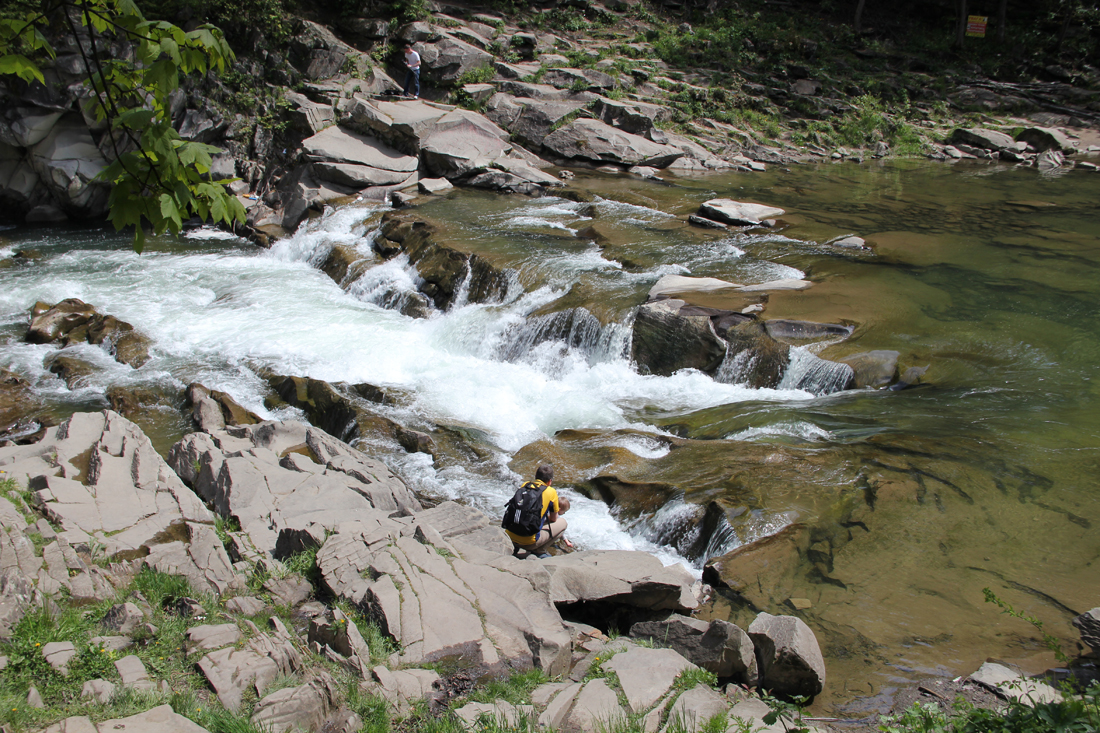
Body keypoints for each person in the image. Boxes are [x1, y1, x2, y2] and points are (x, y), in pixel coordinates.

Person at [505, 464, 574, 558]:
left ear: (536, 477)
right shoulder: (551, 492)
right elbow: (554, 519)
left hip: (510, 536)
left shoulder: (525, 485)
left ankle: (516, 545)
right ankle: (539, 550)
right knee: (563, 523)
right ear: (550, 481)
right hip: (529, 542)